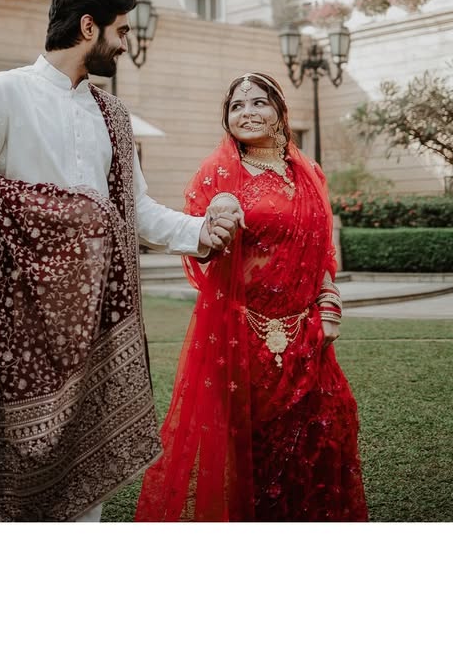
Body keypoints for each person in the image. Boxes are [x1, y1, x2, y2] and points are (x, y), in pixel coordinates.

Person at [0, 0, 240, 523]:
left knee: (88, 464)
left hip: (99, 308)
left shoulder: (112, 114)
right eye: (120, 31)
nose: (124, 44)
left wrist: (200, 233)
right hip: (24, 312)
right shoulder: (3, 92)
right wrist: (68, 216)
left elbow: (133, 209)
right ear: (88, 26)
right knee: (17, 469)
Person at [134, 71, 369, 521]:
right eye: (236, 106)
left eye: (258, 102)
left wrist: (329, 303)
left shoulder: (309, 172)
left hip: (306, 331)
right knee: (252, 446)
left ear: (280, 112)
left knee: (321, 434)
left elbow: (321, 246)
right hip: (240, 335)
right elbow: (201, 244)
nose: (247, 113)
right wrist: (218, 214)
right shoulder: (219, 171)